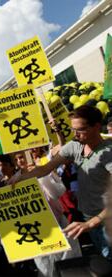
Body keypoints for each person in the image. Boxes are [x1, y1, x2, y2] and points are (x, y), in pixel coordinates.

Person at [9, 105, 112, 260]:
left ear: (97, 126)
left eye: (81, 129)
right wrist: (20, 178)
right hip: (88, 221)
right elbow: (45, 169)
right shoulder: (75, 147)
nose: (75, 134)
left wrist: (92, 223)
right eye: (73, 129)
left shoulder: (108, 153)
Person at [13, 151, 82, 276]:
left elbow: (58, 192)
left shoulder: (43, 170)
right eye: (18, 158)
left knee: (69, 264)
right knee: (46, 268)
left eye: (23, 157)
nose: (21, 160)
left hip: (59, 223)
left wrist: (43, 174)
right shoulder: (14, 181)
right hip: (38, 230)